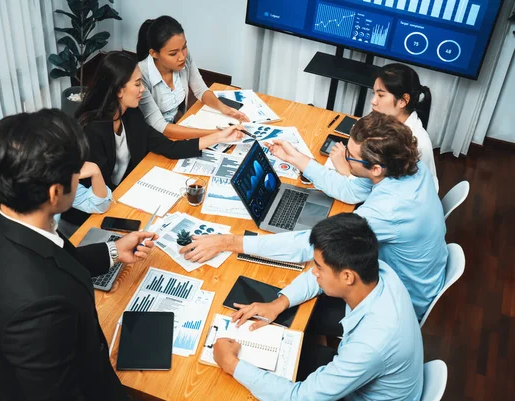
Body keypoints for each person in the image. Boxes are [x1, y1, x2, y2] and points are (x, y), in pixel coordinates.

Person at [0, 109, 157, 400]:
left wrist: (112, 250)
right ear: (54, 193)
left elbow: (50, 255)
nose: (81, 173)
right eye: (77, 171)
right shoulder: (38, 310)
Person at [181, 112, 447, 321]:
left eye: (350, 157)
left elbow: (308, 245)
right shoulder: (407, 164)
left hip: (399, 300)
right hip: (411, 274)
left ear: (376, 168)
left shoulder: (388, 211)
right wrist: (298, 159)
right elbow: (352, 189)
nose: (345, 158)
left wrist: (228, 242)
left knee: (300, 310)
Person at [212, 213, 424, 401]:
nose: (313, 272)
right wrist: (279, 303)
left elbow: (299, 397)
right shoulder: (373, 269)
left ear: (348, 276)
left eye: (319, 267)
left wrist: (231, 364)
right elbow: (324, 276)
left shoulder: (370, 345)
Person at [75, 51, 244, 191]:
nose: (142, 89)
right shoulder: (93, 131)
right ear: (119, 90)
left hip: (126, 189)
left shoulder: (131, 115)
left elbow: (168, 147)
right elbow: (98, 190)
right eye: (137, 84)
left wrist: (219, 136)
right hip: (95, 210)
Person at [328, 63, 438, 190]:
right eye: (374, 93)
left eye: (380, 95)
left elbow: (390, 192)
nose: (373, 101)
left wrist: (346, 172)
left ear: (403, 100)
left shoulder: (417, 144)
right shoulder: (384, 121)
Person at [136, 16, 249, 139]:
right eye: (173, 53)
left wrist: (226, 109)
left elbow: (201, 90)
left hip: (178, 128)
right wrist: (215, 133)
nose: (182, 57)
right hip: (153, 139)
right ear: (154, 53)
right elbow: (159, 126)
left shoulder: (184, 57)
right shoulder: (140, 75)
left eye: (184, 47)